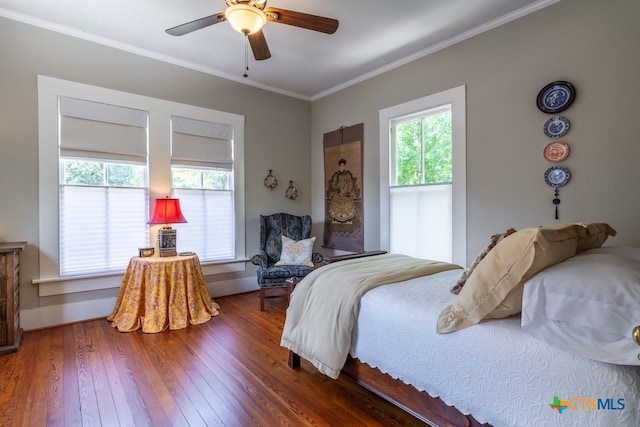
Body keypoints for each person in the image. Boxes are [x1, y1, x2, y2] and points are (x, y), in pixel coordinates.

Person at [327, 158, 359, 223]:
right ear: (339, 166)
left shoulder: (347, 174)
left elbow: (350, 183)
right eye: (340, 165)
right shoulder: (336, 174)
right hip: (338, 191)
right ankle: (335, 217)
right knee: (334, 199)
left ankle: (348, 217)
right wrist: (338, 188)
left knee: (349, 199)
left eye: (343, 165)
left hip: (346, 191)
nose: (342, 167)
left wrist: (347, 190)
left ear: (344, 166)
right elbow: (333, 183)